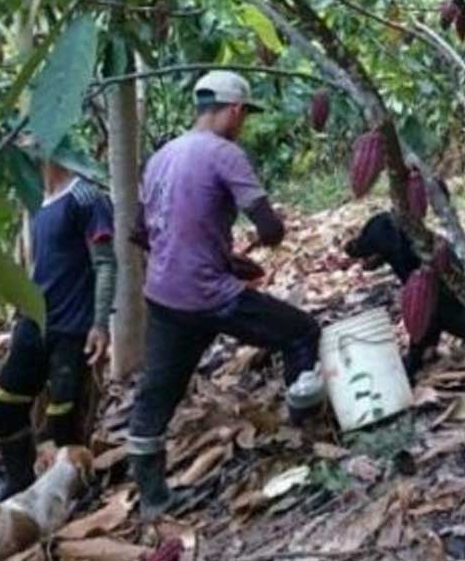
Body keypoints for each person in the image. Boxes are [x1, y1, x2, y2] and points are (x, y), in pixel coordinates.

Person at [127, 71, 323, 520]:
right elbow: (270, 228)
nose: (244, 124)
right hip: (210, 294)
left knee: (156, 394)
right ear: (234, 110)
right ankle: (306, 437)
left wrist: (217, 254)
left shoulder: (160, 156)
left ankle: (153, 498)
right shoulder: (225, 154)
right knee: (300, 333)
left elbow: (141, 233)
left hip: (164, 295)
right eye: (244, 116)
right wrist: (261, 244)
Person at [0, 138, 115, 502]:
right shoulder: (32, 201)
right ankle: (20, 480)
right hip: (34, 322)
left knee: (64, 422)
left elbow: (105, 262)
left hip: (72, 328)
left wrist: (100, 323)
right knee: (4, 409)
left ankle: (70, 495)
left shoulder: (86, 196)